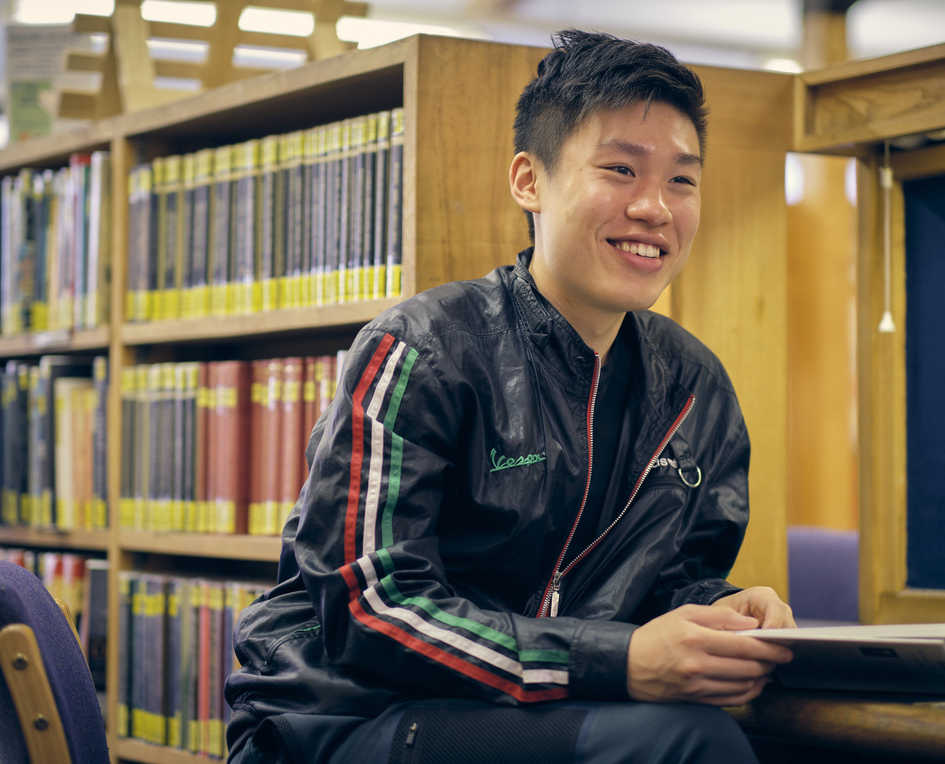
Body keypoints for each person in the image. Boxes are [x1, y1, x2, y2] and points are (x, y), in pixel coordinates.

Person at [226, 29, 796, 764]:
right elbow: (374, 608)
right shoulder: (423, 348)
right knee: (687, 741)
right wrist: (616, 660)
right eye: (620, 169)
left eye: (682, 180)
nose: (656, 206)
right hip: (348, 718)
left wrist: (717, 611)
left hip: (542, 711)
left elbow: (667, 579)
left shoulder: (695, 387)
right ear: (530, 181)